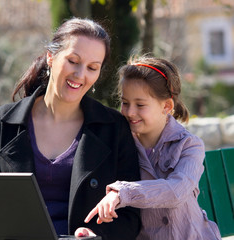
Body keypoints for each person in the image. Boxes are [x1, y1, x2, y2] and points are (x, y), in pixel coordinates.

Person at [0, 17, 141, 239]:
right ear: (51, 57)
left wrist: (97, 234)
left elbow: (131, 214)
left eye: (92, 67)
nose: (80, 74)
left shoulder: (114, 128)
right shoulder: (3, 122)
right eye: (73, 61)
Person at [84, 56, 222, 240]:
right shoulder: (121, 144)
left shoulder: (189, 145)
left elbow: (176, 191)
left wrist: (123, 192)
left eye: (140, 105)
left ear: (166, 106)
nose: (130, 112)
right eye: (125, 103)